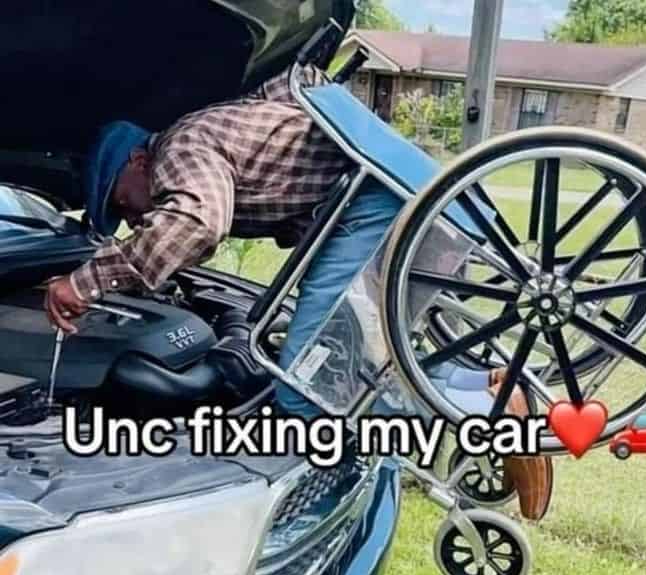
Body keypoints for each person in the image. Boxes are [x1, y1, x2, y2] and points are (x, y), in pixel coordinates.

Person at [45, 68, 403, 417]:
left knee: (304, 390)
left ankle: (326, 458)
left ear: (139, 161)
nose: (133, 220)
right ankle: (392, 445)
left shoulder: (179, 147)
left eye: (122, 203)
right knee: (380, 359)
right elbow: (300, 79)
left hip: (369, 203)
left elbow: (197, 224)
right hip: (382, 193)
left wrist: (84, 283)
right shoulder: (215, 127)